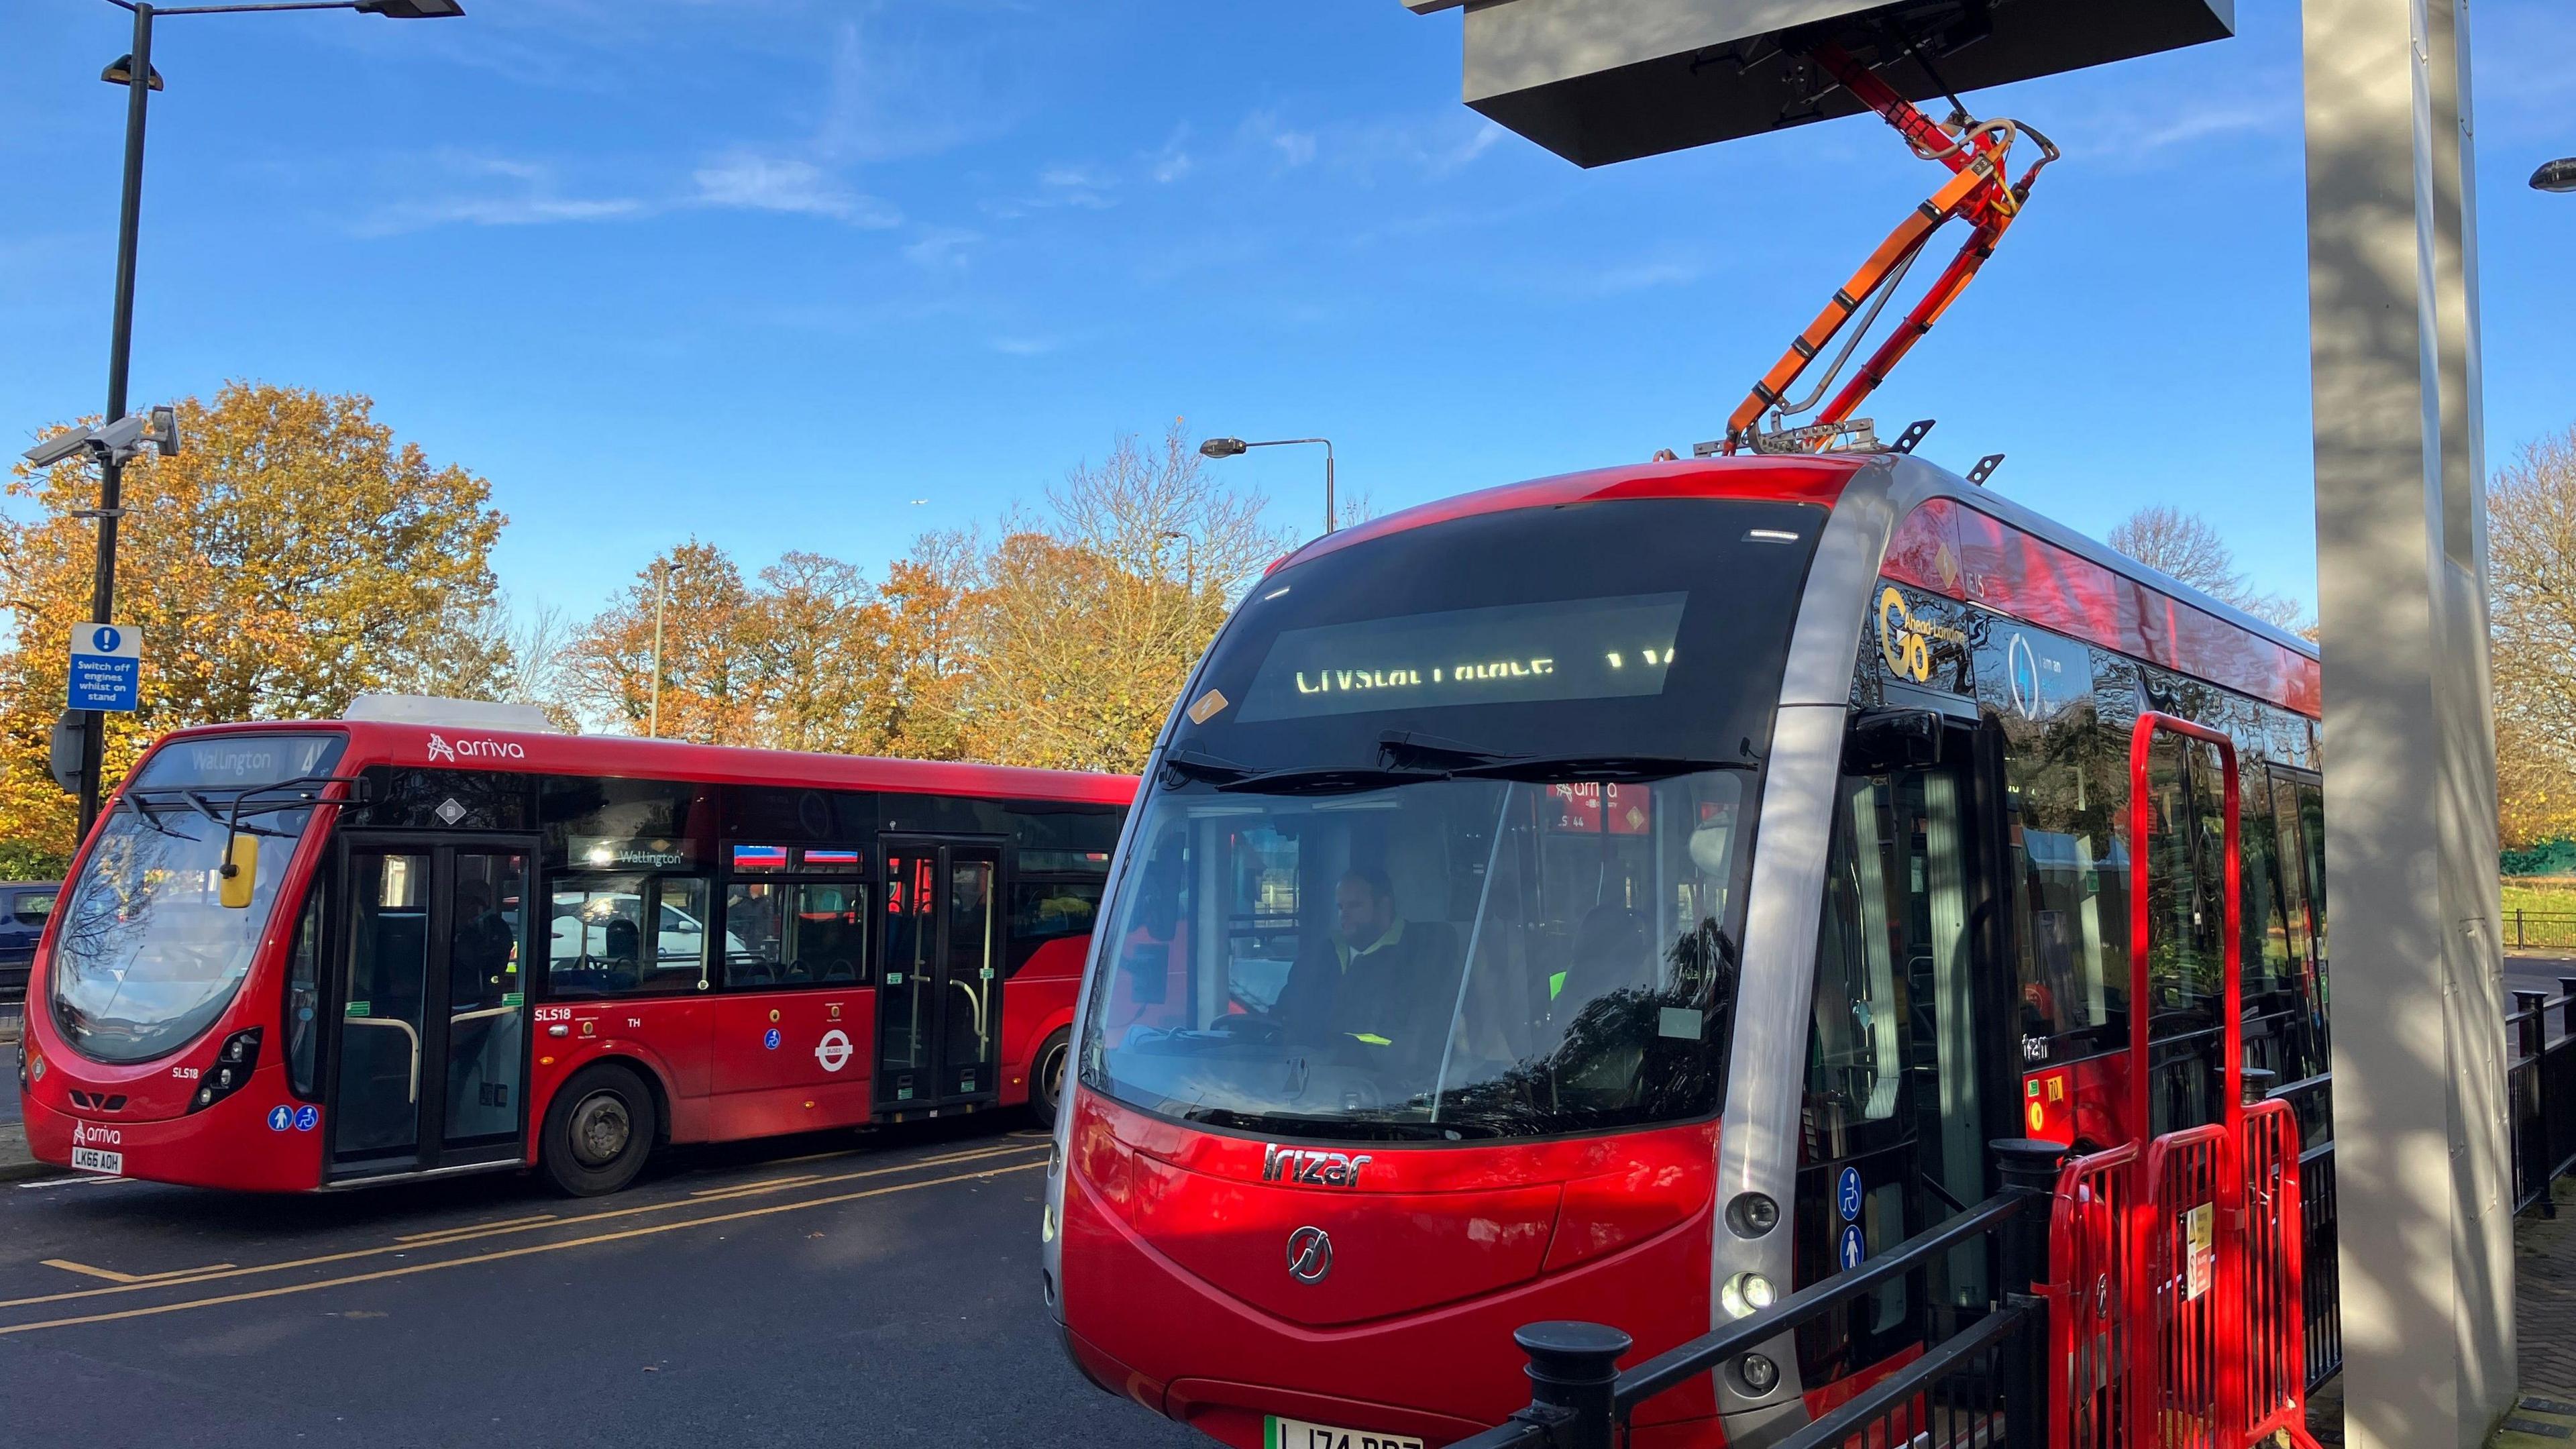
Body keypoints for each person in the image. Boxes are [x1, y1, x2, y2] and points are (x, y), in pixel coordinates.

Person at [1273, 867, 1455, 1063]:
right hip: (1304, 1077)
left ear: (1384, 906)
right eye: (1341, 907)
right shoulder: (1322, 953)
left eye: (1355, 906)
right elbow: (1284, 1015)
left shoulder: (1420, 956)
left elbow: (1415, 1045)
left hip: (1382, 1085)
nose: (1344, 915)